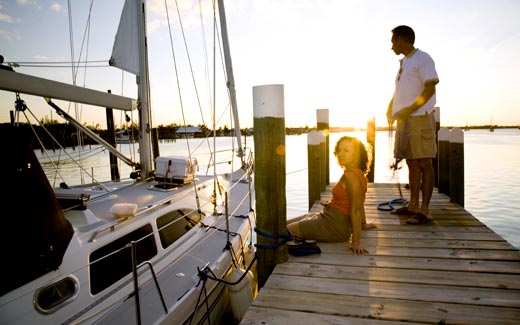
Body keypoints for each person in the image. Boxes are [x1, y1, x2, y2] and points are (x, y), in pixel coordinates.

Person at [386, 25, 439, 225]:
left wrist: (409, 110)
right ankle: (413, 205)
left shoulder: (423, 58)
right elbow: (399, 91)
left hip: (419, 118)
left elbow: (430, 88)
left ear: (402, 39)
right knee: (410, 161)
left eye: (393, 41)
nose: (391, 45)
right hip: (404, 121)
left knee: (424, 162)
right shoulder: (404, 63)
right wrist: (390, 108)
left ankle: (424, 210)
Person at [287, 136, 375, 256]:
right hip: (329, 217)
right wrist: (363, 223)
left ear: (357, 154)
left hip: (334, 226)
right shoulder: (358, 174)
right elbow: (360, 202)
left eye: (346, 151)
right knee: (285, 223)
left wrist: (356, 242)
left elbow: (355, 209)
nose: (341, 154)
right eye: (339, 150)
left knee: (285, 231)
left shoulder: (351, 176)